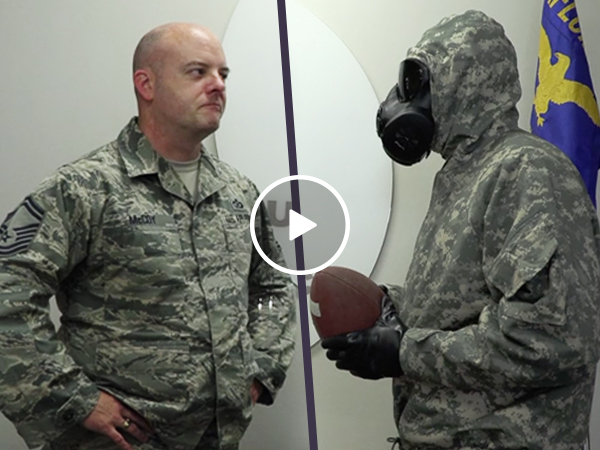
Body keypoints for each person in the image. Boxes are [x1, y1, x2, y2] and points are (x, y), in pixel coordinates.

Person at [0, 23, 296, 450]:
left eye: (223, 74)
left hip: (217, 437)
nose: (218, 85)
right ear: (147, 84)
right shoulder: (85, 188)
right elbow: (7, 291)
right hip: (119, 440)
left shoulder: (238, 192)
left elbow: (272, 285)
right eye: (198, 72)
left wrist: (261, 367)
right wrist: (75, 399)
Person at [323, 10, 600, 450]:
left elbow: (550, 338)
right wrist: (392, 309)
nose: (402, 99)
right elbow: (467, 302)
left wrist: (404, 352)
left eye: (417, 81)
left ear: (464, 81)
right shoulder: (466, 175)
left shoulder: (527, 170)